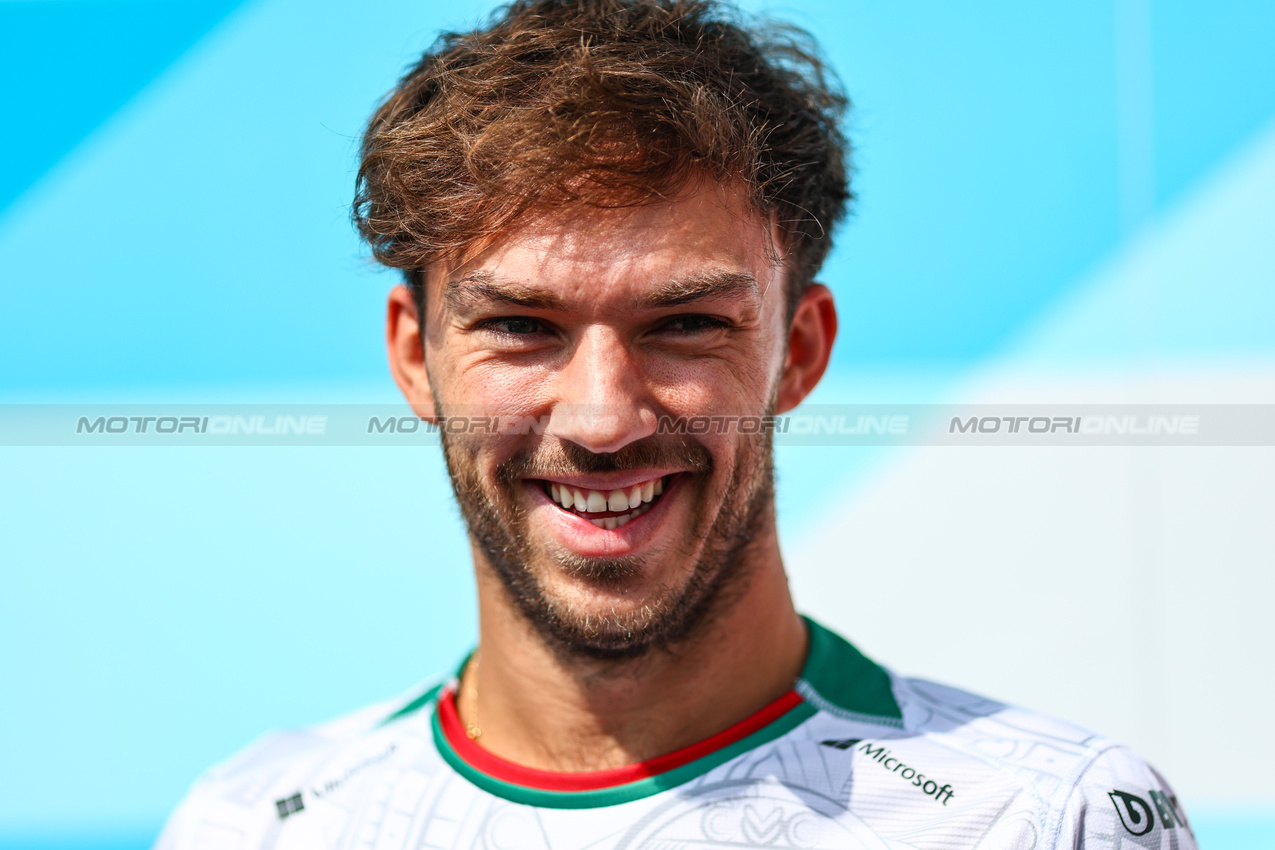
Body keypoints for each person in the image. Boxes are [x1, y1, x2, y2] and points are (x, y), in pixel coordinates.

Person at [156, 1, 1197, 846]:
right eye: (521, 326)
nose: (603, 419)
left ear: (798, 349)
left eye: (686, 324)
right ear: (415, 353)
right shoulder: (252, 822)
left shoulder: (1051, 817)